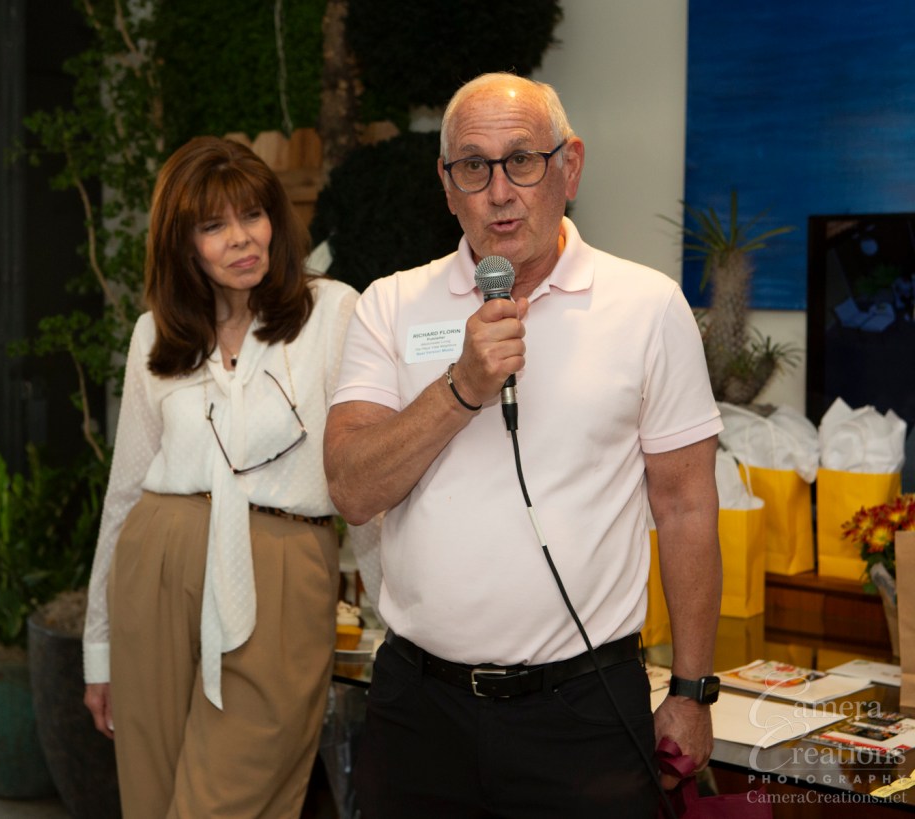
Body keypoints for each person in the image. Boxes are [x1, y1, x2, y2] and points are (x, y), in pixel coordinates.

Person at [323, 73, 723, 817]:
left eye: (522, 161)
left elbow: (687, 505)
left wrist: (693, 691)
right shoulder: (390, 304)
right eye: (474, 167)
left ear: (570, 167)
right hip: (420, 711)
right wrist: (461, 388)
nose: (500, 192)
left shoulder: (647, 307)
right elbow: (350, 487)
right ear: (447, 188)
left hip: (583, 710)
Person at [82, 135, 360, 818]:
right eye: (213, 225)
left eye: (253, 214)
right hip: (157, 559)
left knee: (226, 799)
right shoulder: (154, 335)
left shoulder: (333, 312)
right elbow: (124, 492)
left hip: (281, 563)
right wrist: (98, 649)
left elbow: (362, 465)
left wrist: (397, 610)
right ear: (182, 244)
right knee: (151, 798)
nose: (241, 238)